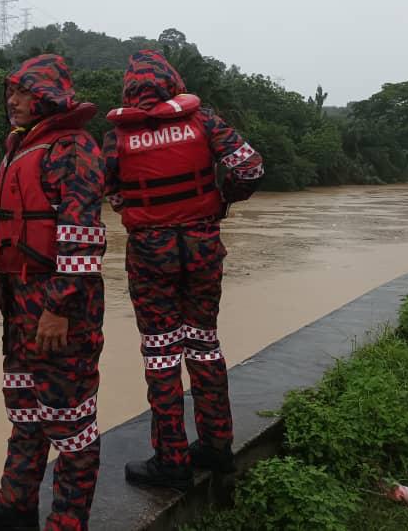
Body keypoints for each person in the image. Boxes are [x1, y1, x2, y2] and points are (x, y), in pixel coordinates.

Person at [0, 55, 106, 531]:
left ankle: (67, 520)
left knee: (69, 414)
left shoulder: (74, 148)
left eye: (22, 93)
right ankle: (16, 503)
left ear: (45, 97)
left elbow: (82, 235)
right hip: (19, 298)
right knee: (24, 404)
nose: (12, 101)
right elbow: (5, 221)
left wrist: (59, 307)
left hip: (59, 302)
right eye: (10, 92)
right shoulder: (20, 149)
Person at [103, 50, 263, 489]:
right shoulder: (204, 121)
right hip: (202, 246)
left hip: (150, 255)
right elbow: (250, 166)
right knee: (204, 344)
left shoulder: (116, 137)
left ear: (130, 91)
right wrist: (222, 201)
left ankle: (170, 459)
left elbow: (105, 187)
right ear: (172, 84)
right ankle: (216, 445)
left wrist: (130, 205)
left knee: (160, 352)